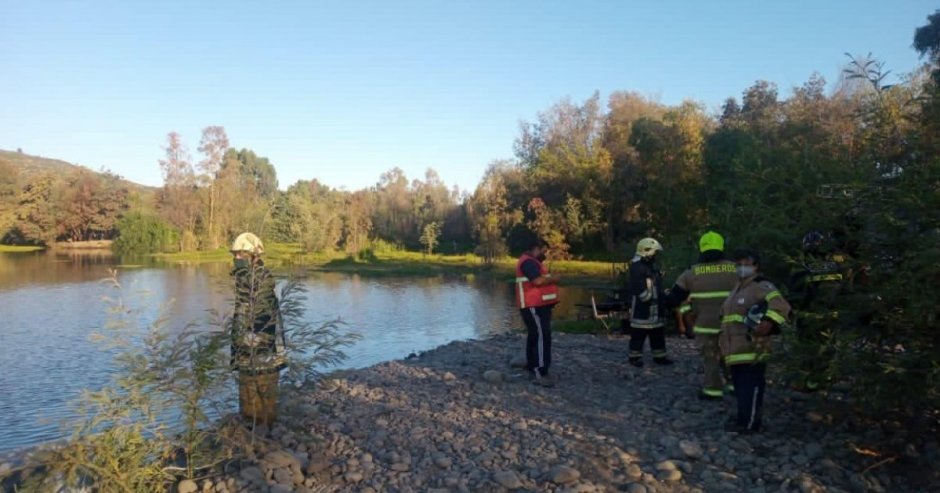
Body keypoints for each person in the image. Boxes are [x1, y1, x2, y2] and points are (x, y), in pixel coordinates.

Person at [719, 249, 791, 433]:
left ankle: (750, 424)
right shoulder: (738, 287)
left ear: (756, 266)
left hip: (752, 346)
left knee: (751, 387)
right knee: (740, 388)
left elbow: (781, 306)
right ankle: (742, 420)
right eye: (739, 264)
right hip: (734, 348)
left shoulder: (761, 285)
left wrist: (768, 322)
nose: (742, 268)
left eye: (746, 264)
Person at [668, 231, 738, 400]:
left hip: (706, 325)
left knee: (711, 358)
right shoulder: (736, 269)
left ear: (701, 249)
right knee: (731, 355)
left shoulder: (692, 272)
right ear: (721, 248)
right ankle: (735, 385)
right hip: (733, 324)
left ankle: (712, 390)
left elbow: (673, 299)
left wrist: (686, 312)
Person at [230, 232, 285, 424]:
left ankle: (263, 431)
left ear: (254, 256)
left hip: (261, 347)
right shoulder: (244, 278)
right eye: (234, 255)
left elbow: (264, 314)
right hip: (249, 347)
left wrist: (254, 339)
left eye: (241, 254)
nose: (236, 259)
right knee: (249, 392)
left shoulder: (259, 279)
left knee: (260, 390)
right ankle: (255, 428)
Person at [787, 231, 850, 391]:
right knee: (828, 346)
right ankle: (825, 379)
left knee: (808, 346)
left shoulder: (803, 264)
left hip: (809, 314)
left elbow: (795, 291)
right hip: (832, 313)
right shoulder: (839, 261)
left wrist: (792, 311)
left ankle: (809, 381)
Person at [515, 238, 561, 386]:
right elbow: (537, 281)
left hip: (537, 304)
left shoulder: (532, 262)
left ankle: (531, 365)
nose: (544, 254)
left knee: (535, 334)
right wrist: (555, 278)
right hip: (533, 305)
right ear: (536, 248)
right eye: (544, 251)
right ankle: (540, 372)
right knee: (542, 335)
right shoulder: (528, 262)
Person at [627, 237, 673, 367]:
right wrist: (648, 297)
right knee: (638, 336)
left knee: (657, 335)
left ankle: (660, 357)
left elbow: (654, 282)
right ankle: (635, 358)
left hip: (655, 309)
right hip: (642, 309)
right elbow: (639, 288)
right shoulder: (637, 267)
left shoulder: (649, 265)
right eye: (654, 252)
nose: (655, 256)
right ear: (646, 251)